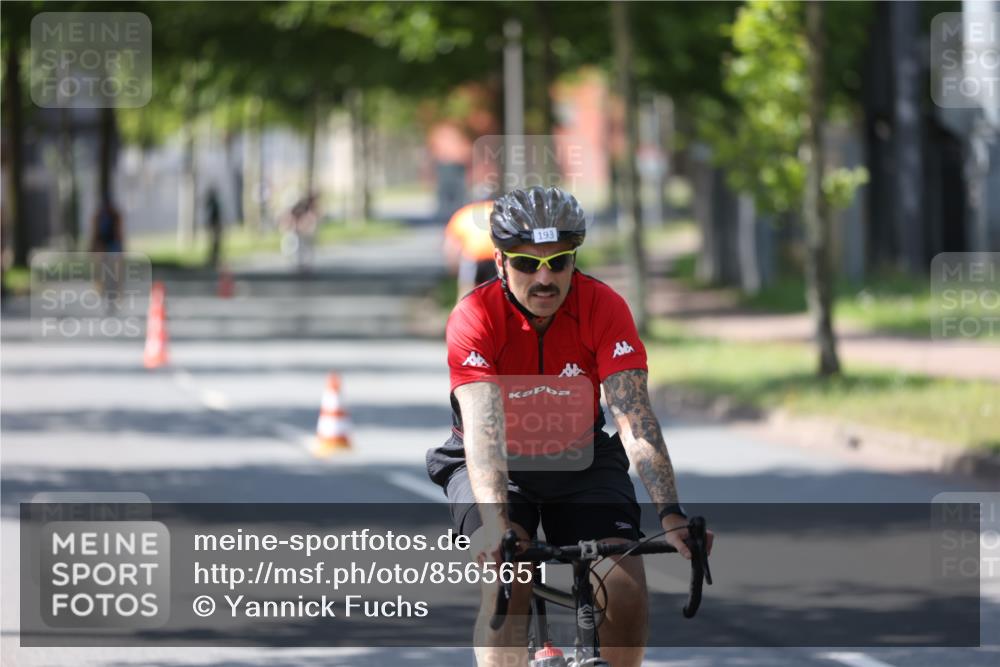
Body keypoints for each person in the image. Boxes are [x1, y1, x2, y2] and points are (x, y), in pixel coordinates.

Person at [426, 186, 714, 667]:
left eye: (559, 262)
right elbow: (483, 432)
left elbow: (634, 419)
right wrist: (497, 526)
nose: (545, 278)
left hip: (581, 461)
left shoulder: (604, 307)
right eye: (526, 264)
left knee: (623, 586)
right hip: (495, 466)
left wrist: (671, 514)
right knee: (509, 580)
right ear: (499, 261)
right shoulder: (473, 316)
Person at [443, 200, 497, 301]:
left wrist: (453, 269)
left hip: (473, 256)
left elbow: (451, 246)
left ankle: (463, 315)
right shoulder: (499, 210)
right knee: (499, 293)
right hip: (495, 256)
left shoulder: (463, 213)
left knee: (467, 292)